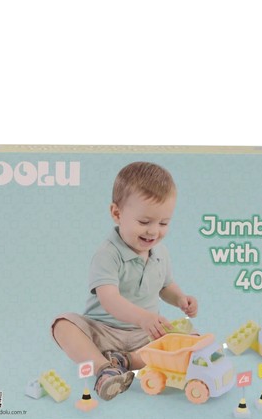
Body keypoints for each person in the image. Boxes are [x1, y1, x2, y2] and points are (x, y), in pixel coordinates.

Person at [51, 161, 198, 401]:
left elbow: (165, 286)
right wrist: (142, 317)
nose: (154, 231)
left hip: (144, 335)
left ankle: (125, 361)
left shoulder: (161, 253)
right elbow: (109, 299)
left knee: (188, 340)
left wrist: (180, 298)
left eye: (163, 223)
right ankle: (103, 368)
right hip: (103, 331)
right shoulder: (108, 254)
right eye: (144, 222)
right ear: (117, 214)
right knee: (62, 325)